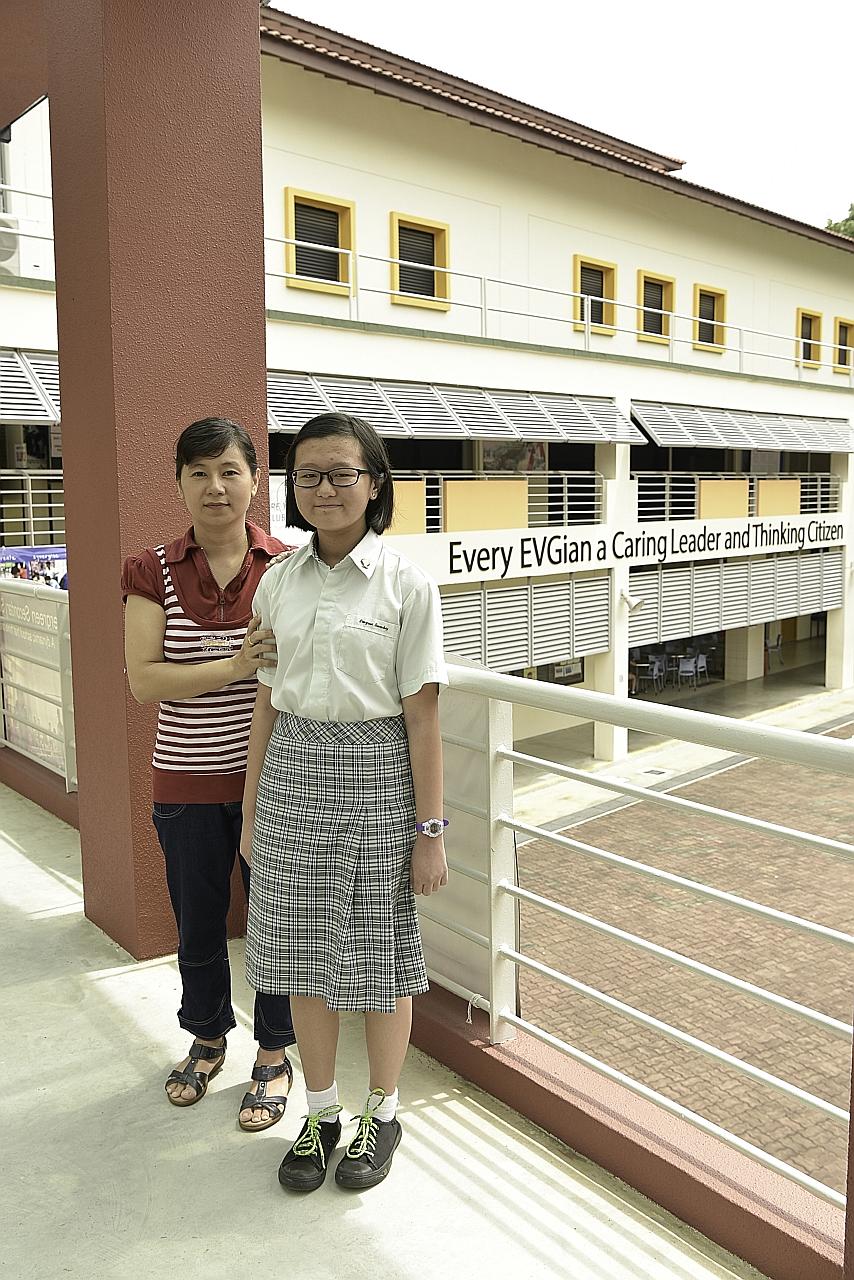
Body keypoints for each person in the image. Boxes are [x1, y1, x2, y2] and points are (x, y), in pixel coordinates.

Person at [241, 411, 447, 1193]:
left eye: (342, 473)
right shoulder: (279, 580)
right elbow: (266, 701)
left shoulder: (406, 584)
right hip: (293, 767)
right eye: (309, 475)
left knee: (379, 960)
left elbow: (423, 715)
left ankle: (382, 1112)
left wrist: (430, 831)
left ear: (374, 483)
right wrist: (253, 809)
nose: (325, 488)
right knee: (299, 956)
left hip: (377, 773)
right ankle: (320, 1113)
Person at [122, 417, 296, 1130]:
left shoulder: (288, 566)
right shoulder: (149, 569)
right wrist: (233, 665)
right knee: (197, 923)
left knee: (277, 926)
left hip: (275, 786)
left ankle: (275, 1052)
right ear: (179, 483)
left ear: (256, 480)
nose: (215, 487)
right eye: (199, 473)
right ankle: (207, 1035)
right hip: (186, 783)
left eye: (230, 471)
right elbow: (143, 680)